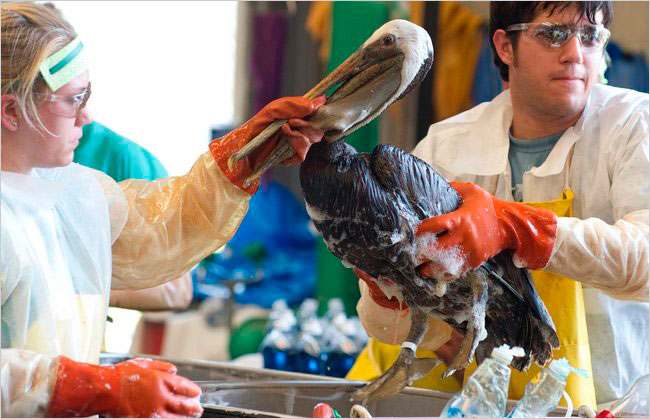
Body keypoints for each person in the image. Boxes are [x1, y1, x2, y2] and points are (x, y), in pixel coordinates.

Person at [0, 2, 325, 417]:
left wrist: (244, 156)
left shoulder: (68, 191)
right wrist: (98, 387)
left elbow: (159, 227)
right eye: (73, 99)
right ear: (11, 111)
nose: (87, 115)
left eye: (88, 95)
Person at [348, 0, 648, 409]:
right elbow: (381, 316)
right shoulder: (446, 145)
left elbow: (644, 259)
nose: (576, 54)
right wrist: (389, 296)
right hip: (479, 404)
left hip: (618, 404)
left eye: (590, 36)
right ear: (506, 47)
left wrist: (515, 227)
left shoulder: (634, 126)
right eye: (553, 34)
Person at [75, 121, 193, 312]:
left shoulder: (124, 159)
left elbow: (176, 290)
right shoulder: (15, 158)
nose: (82, 114)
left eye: (78, 98)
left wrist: (74, 290)